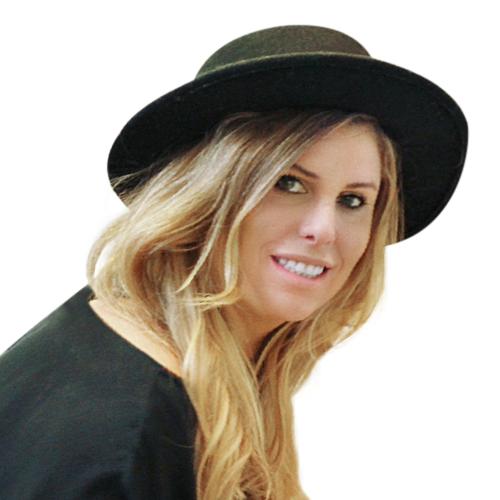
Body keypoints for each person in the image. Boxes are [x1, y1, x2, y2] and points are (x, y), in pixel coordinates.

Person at [0, 25, 468, 499]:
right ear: (205, 196)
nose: (324, 229)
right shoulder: (122, 437)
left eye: (352, 201)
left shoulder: (155, 351)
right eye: (288, 183)